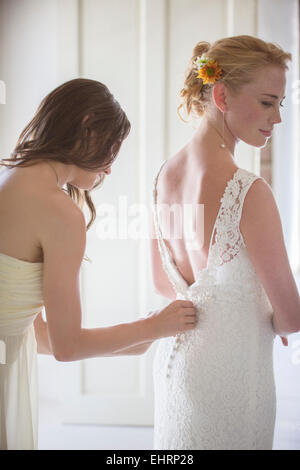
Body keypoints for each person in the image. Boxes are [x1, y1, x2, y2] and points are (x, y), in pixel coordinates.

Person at [0, 78, 197, 450]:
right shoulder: (59, 212)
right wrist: (151, 325)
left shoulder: (8, 177)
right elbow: (67, 346)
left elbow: (35, 334)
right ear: (87, 128)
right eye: (113, 149)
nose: (108, 170)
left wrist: (141, 337)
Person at [150, 35, 300, 450]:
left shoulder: (164, 176)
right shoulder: (249, 191)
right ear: (221, 95)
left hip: (176, 370)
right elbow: (291, 317)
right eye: (268, 102)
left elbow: (166, 285)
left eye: (280, 104)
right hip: (232, 378)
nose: (278, 119)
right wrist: (253, 309)